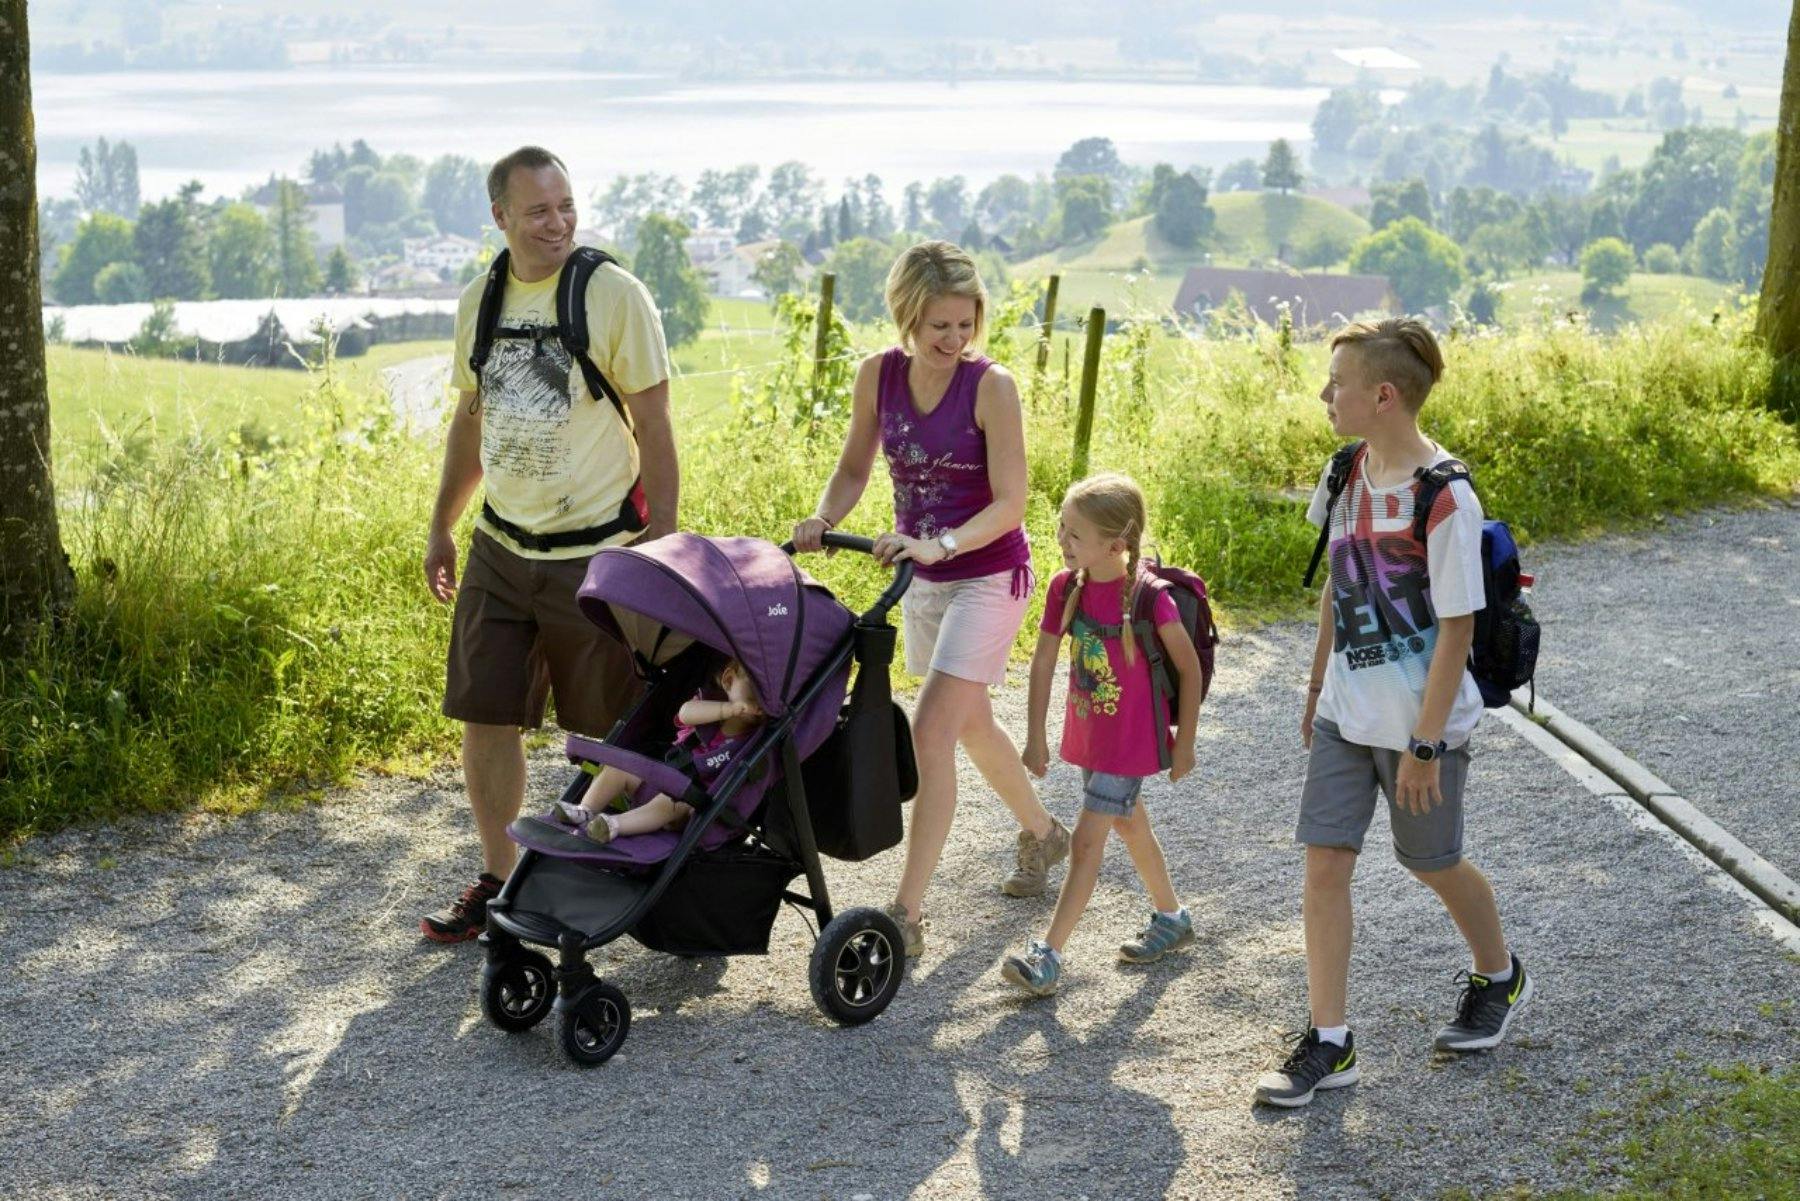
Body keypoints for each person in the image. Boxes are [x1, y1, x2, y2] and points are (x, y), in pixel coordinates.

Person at [1253, 318, 1532, 1109]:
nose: (1324, 393)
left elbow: (1457, 627)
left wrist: (1425, 743)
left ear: (1382, 394)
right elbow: (1335, 594)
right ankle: (1330, 1041)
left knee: (1430, 861)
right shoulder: (1343, 472)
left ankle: (1501, 975)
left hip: (1421, 726)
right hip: (1348, 715)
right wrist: (1315, 691)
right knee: (1323, 866)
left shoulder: (1445, 498)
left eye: (1336, 382)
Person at [419, 145, 679, 943]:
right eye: (538, 210)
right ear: (500, 216)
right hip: (502, 545)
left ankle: (642, 882)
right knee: (486, 716)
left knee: (617, 733)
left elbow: (657, 425)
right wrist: (441, 522)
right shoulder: (483, 299)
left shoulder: (611, 295)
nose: (558, 222)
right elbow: (473, 422)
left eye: (566, 205)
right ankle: (500, 887)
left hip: (593, 550)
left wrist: (661, 541)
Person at [791, 240, 1066, 959]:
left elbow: (1011, 504)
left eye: (964, 323)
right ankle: (1043, 834)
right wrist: (825, 517)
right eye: (938, 325)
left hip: (985, 574)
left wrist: (941, 543)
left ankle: (906, 912)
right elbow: (855, 465)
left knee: (931, 731)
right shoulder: (877, 376)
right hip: (921, 578)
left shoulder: (990, 385)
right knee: (970, 725)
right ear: (906, 317)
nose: (954, 339)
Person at [1000, 473, 1203, 997]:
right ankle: (1172, 917)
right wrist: (1036, 735)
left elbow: (1189, 668)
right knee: (1130, 825)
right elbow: (1044, 660)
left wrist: (1186, 743)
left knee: (1089, 840)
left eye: (1074, 534)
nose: (1062, 541)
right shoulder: (1066, 588)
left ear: (1117, 544)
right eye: (1061, 528)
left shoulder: (1149, 599)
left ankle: (1048, 955)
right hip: (1094, 736)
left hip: (1129, 744)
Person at [551, 659, 765, 843]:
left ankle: (614, 824)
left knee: (669, 803)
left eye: (765, 704)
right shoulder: (709, 707)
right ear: (728, 681)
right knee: (617, 768)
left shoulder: (755, 739)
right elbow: (685, 714)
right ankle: (585, 810)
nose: (759, 707)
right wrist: (726, 710)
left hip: (689, 804)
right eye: (752, 697)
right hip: (662, 780)